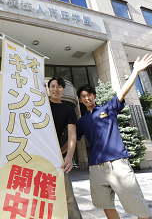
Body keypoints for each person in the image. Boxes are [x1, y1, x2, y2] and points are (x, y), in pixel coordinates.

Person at [76, 54, 152, 219]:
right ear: (80, 100)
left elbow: (123, 91)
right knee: (105, 206)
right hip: (95, 167)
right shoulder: (82, 121)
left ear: (94, 96)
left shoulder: (108, 108)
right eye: (83, 96)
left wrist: (136, 72)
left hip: (117, 163)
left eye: (89, 94)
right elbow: (72, 140)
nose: (86, 98)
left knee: (138, 206)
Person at [48, 76, 83, 219]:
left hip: (56, 157)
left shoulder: (68, 110)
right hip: (35, 154)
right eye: (53, 86)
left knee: (68, 196)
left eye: (59, 86)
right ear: (48, 88)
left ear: (63, 89)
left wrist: (68, 156)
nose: (55, 89)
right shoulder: (40, 105)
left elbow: (72, 135)